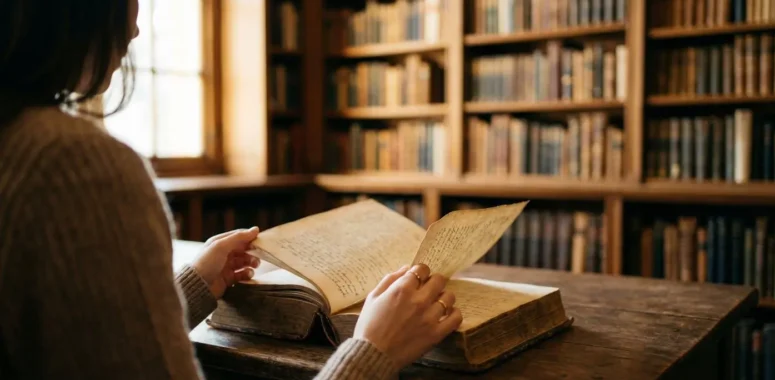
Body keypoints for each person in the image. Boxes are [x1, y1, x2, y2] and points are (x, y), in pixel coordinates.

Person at [0, 0, 463, 379]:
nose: (135, 27)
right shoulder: (72, 165)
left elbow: (85, 344)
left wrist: (190, 289)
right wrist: (373, 351)